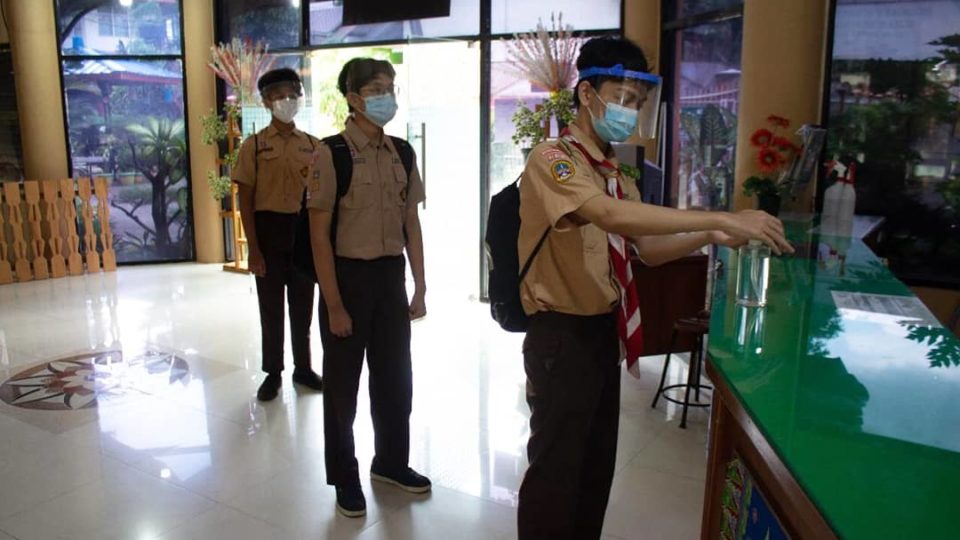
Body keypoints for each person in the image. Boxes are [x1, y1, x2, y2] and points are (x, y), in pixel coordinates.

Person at [516, 37, 793, 540]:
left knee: (594, 468)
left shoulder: (615, 174)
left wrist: (711, 234)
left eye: (636, 102)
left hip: (601, 332)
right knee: (556, 471)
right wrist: (721, 213)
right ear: (586, 94)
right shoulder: (554, 159)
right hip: (560, 335)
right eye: (620, 97)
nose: (628, 110)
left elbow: (644, 248)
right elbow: (604, 215)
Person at [306, 57, 430, 518]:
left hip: (389, 278)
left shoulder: (402, 151)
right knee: (342, 389)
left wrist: (419, 286)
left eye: (391, 86)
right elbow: (319, 234)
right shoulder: (330, 152)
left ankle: (391, 462)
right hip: (346, 280)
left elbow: (411, 224)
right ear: (354, 98)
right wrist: (334, 304)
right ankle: (345, 476)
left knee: (397, 379)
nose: (387, 96)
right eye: (377, 88)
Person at [232, 67, 324, 402]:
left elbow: (319, 199)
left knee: (303, 307)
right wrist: (253, 249)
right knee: (271, 310)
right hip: (268, 236)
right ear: (266, 101)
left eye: (292, 93)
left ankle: (304, 367)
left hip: (301, 236)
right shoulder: (254, 147)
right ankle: (273, 372)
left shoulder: (313, 146)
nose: (286, 100)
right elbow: (246, 199)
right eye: (278, 94)